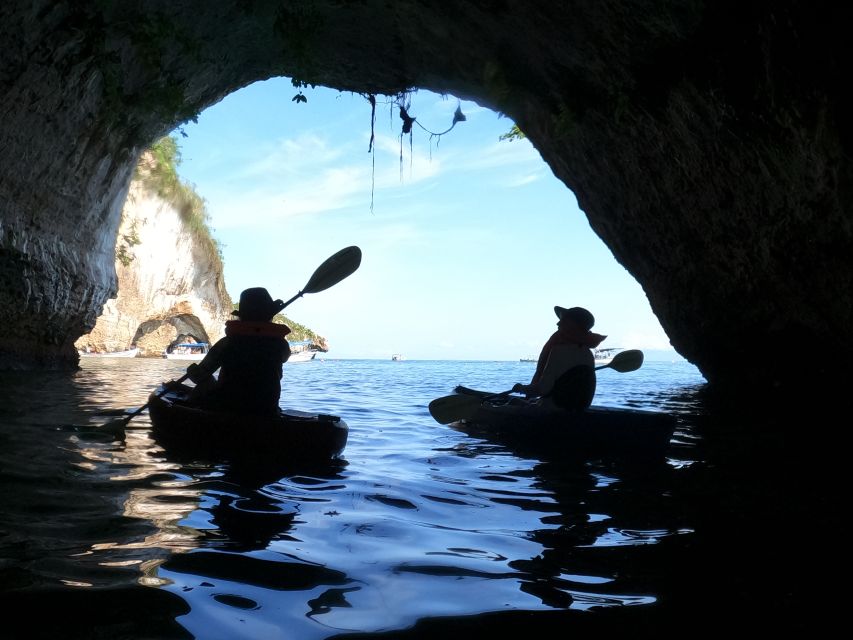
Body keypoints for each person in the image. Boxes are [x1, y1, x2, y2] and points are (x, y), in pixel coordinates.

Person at [183, 287, 292, 416]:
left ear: (242, 317)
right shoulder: (281, 345)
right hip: (266, 409)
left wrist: (192, 371)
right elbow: (284, 357)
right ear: (270, 316)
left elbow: (200, 374)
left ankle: (187, 409)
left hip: (227, 407)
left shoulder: (227, 343)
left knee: (207, 380)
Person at [512, 306, 607, 409]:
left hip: (554, 414)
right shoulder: (588, 353)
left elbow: (543, 389)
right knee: (533, 402)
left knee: (513, 401)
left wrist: (521, 388)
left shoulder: (559, 351)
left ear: (572, 325)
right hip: (577, 412)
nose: (558, 324)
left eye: (563, 321)